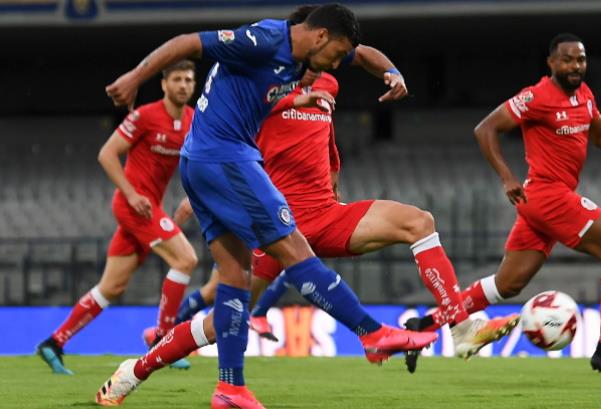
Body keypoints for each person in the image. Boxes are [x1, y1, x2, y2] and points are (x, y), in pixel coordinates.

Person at [96, 5, 435, 408]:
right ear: (320, 36)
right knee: (295, 249)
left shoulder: (311, 53)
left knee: (236, 278)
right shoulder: (261, 41)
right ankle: (370, 333)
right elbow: (189, 42)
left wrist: (390, 72)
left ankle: (218, 386)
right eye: (333, 55)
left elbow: (361, 54)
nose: (334, 66)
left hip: (204, 162)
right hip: (225, 157)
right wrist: (136, 77)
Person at [174, 70, 519, 357]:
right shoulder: (264, 86)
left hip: (324, 213)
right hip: (275, 223)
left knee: (419, 221)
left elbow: (325, 133)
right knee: (226, 312)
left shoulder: (328, 83)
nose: (335, 61)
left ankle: (460, 327)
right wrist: (208, 188)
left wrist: (334, 168)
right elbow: (227, 137)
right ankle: (146, 360)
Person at [405, 33, 601, 381]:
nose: (576, 66)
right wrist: (506, 177)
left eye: (581, 60)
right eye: (568, 59)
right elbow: (485, 129)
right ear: (552, 63)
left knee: (506, 285)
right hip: (548, 196)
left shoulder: (584, 95)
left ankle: (423, 326)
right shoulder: (537, 96)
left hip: (541, 204)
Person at [36, 60, 199, 375]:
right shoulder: (145, 116)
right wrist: (131, 193)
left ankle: (54, 342)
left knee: (111, 287)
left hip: (150, 208)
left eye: (188, 80)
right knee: (186, 259)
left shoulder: (193, 121)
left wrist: (192, 197)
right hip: (133, 205)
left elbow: (203, 162)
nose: (183, 85)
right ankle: (163, 339)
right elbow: (106, 154)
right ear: (164, 85)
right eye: (176, 79)